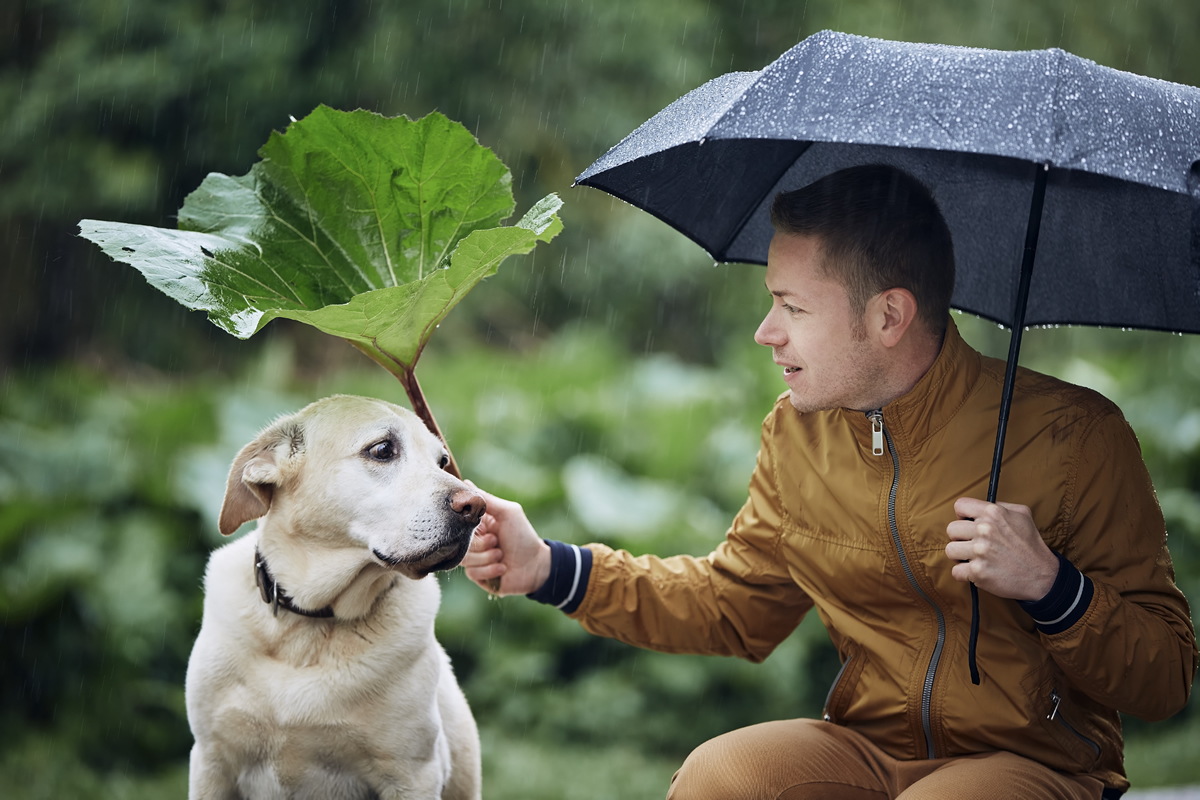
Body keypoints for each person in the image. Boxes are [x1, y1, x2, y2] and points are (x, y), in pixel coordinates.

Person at [462, 164, 1197, 799]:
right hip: (868, 751)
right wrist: (550, 568)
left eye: (792, 306)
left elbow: (1164, 678)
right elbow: (734, 608)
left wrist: (1050, 585)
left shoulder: (1077, 437)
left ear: (889, 316)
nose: (765, 331)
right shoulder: (797, 433)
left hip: (1040, 766)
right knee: (723, 778)